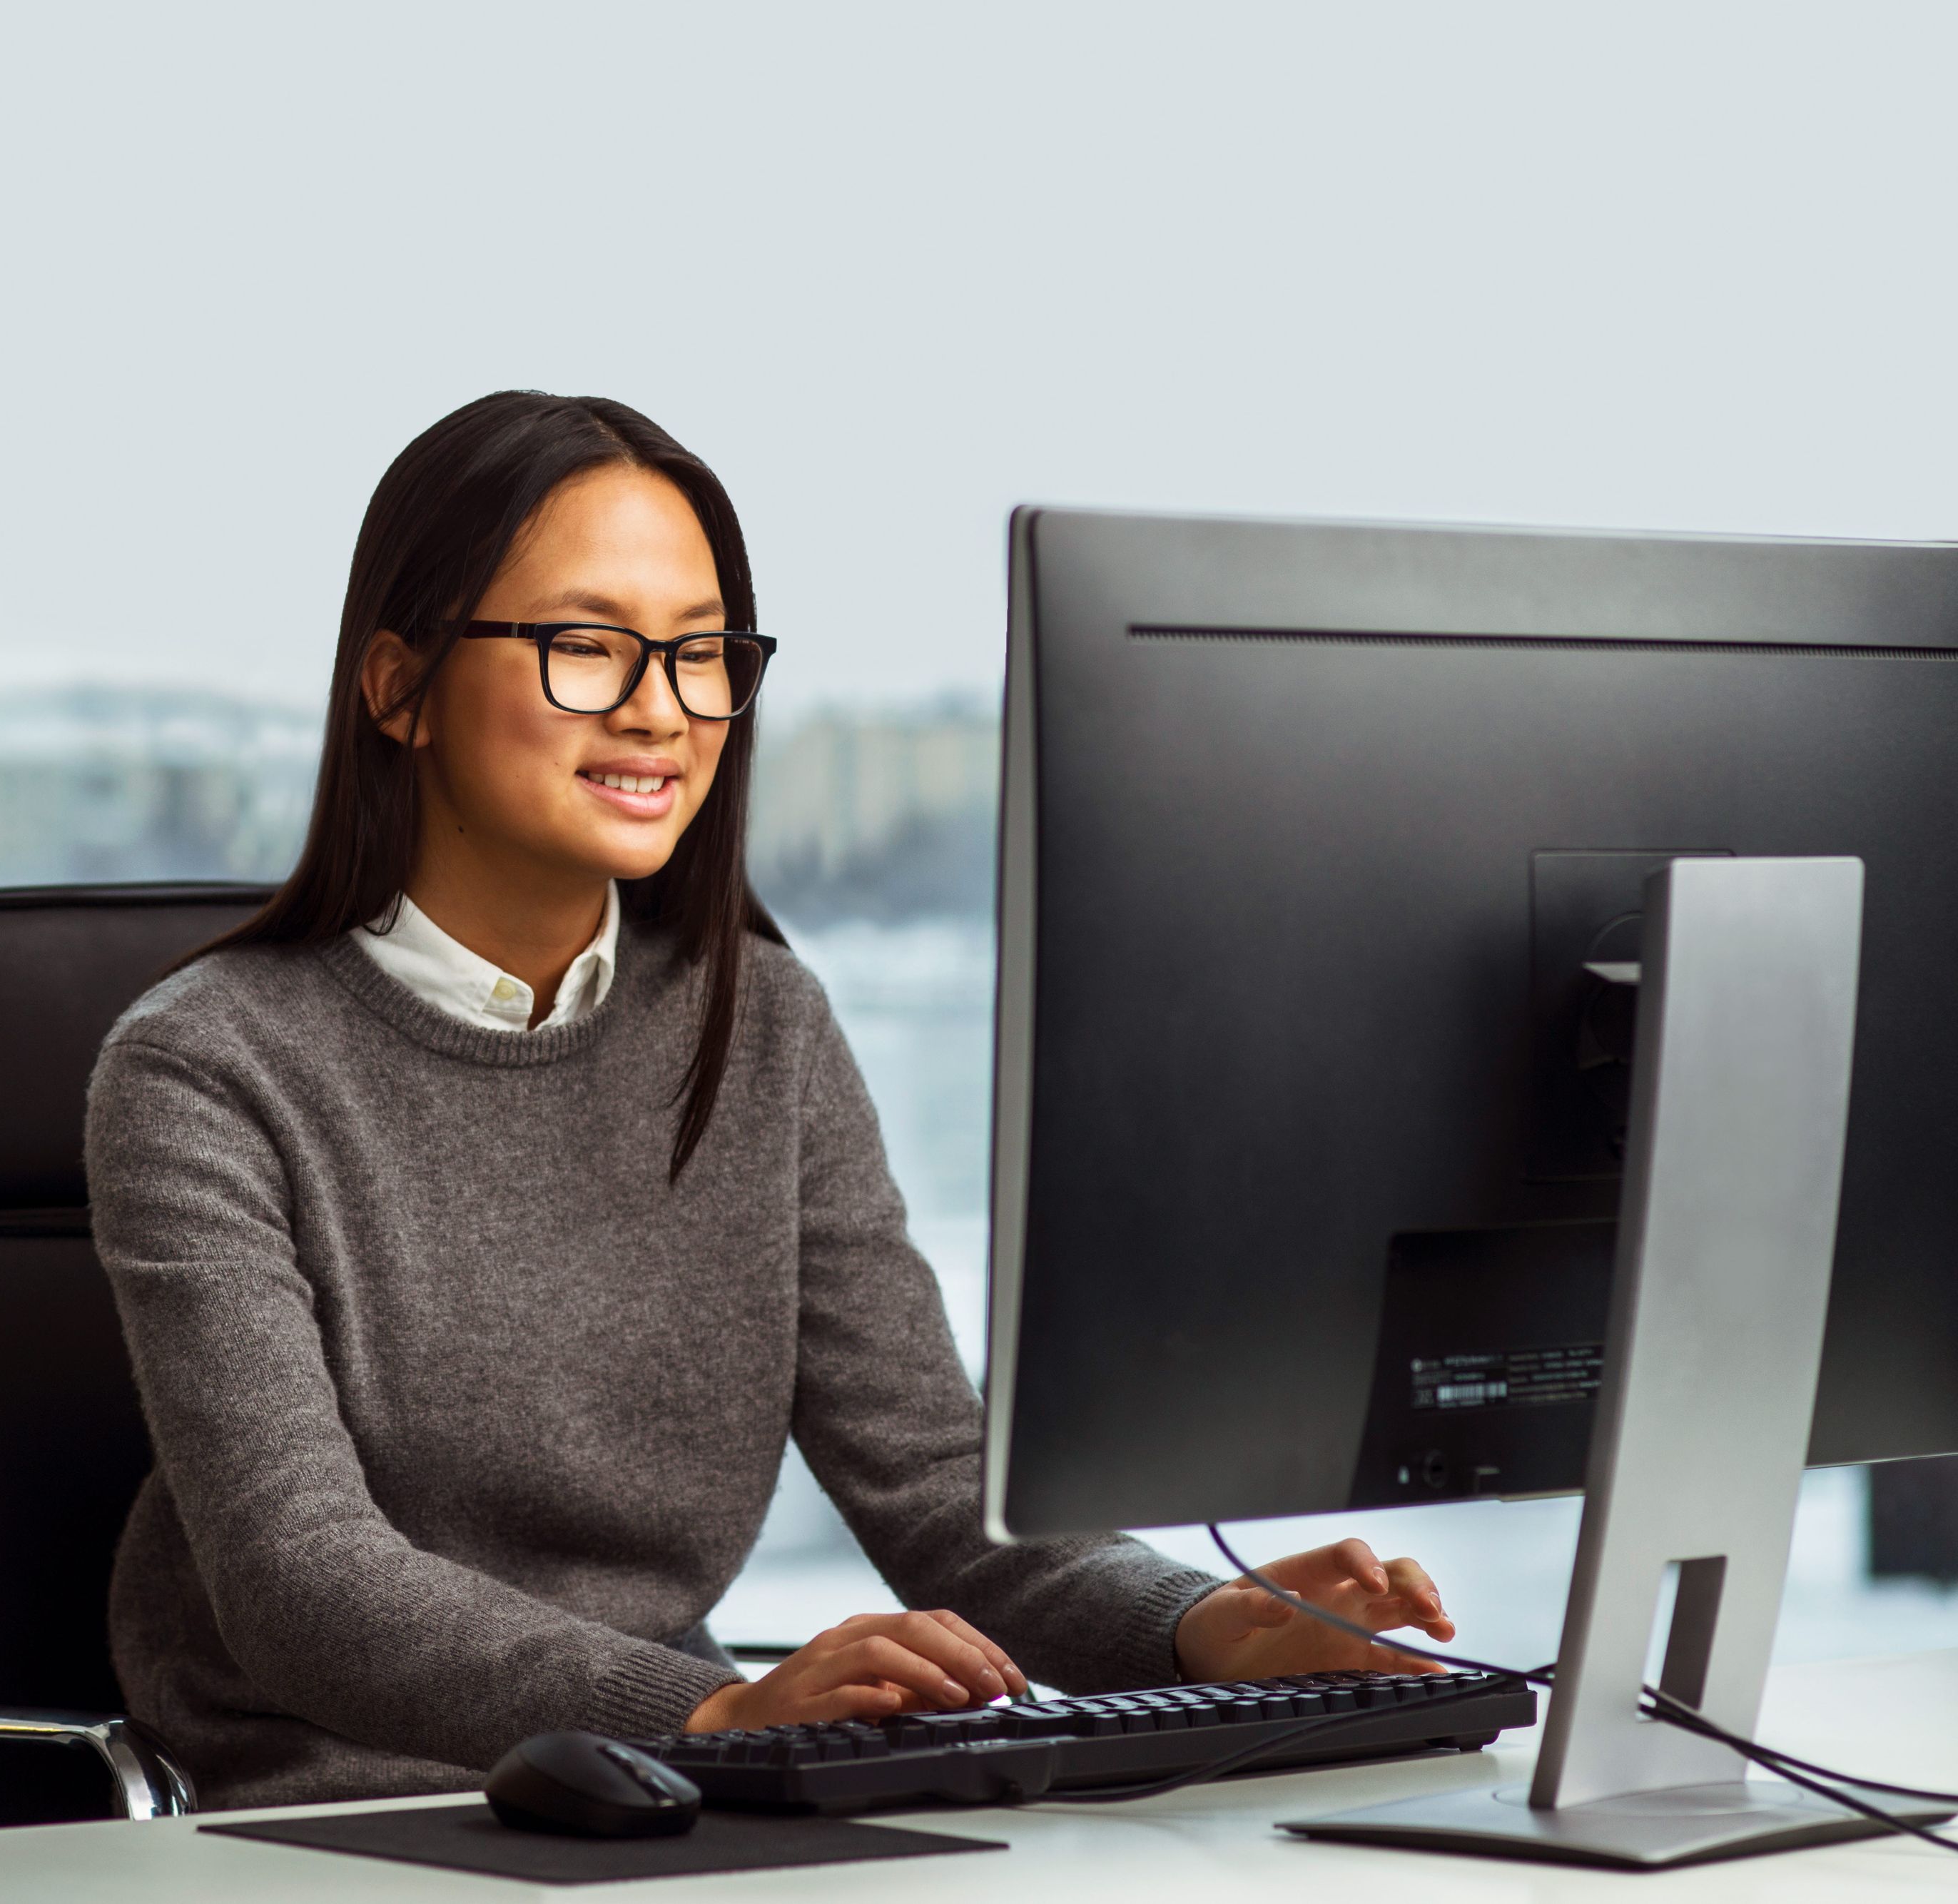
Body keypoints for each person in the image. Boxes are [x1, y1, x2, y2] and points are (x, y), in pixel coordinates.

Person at [85, 390, 1456, 1810]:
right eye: (587, 645)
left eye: (700, 653)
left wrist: (1199, 1622)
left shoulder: (764, 1024)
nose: (660, 708)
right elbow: (303, 1581)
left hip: (678, 1779)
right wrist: (720, 1703)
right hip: (334, 1798)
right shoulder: (207, 1066)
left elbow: (933, 1480)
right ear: (398, 684)